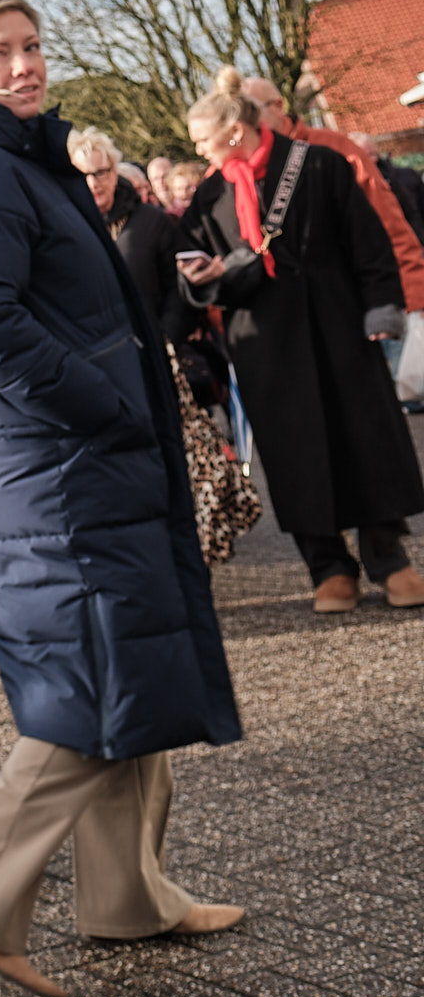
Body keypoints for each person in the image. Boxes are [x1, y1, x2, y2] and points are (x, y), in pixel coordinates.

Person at [0, 0, 245, 997]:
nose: (23, 65)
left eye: (32, 46)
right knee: (90, 692)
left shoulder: (8, 158)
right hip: (55, 474)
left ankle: (126, 898)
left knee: (131, 667)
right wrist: (99, 400)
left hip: (69, 468)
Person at [178, 70, 424, 611]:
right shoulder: (209, 195)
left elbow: (369, 239)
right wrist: (198, 277)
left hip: (339, 326)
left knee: (366, 440)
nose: (197, 150)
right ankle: (327, 567)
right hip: (266, 342)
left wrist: (383, 303)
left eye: (202, 138)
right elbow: (189, 258)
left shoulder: (321, 164)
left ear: (235, 132)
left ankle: (390, 559)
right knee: (295, 456)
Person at [234, 71, 424, 316]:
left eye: (251, 109)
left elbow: (386, 223)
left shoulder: (333, 147)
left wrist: (413, 293)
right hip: (292, 318)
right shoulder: (234, 173)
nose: (244, 122)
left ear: (277, 106)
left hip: (359, 304)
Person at [67, 128, 187, 348]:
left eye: (100, 172)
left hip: (156, 347)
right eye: (82, 176)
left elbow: (177, 284)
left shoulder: (151, 221)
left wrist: (167, 336)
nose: (93, 183)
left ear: (114, 172)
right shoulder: (68, 229)